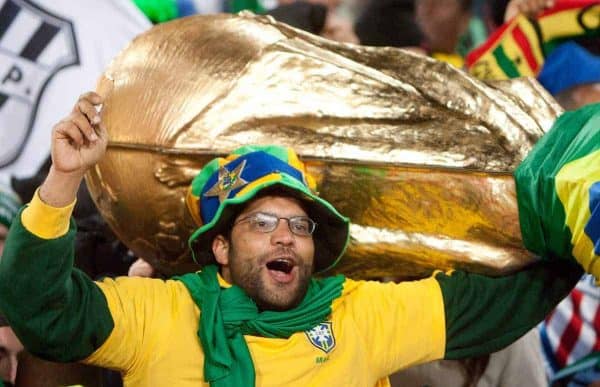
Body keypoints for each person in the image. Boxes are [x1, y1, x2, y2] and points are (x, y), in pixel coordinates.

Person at [0, 92, 597, 386]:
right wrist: (64, 179)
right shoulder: (160, 313)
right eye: (260, 222)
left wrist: (567, 214)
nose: (285, 235)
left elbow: (497, 306)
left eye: (299, 224)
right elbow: (42, 311)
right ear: (221, 250)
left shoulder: (358, 313)